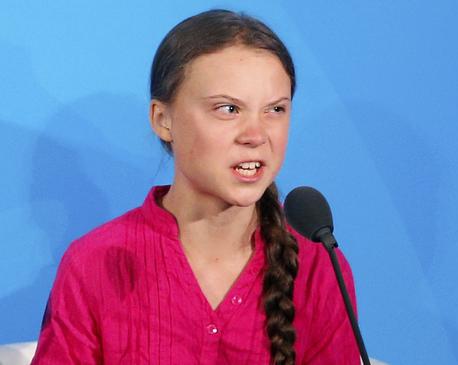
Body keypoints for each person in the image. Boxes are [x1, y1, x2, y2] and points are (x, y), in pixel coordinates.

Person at [31, 9, 360, 365]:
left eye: (275, 109)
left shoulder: (316, 265)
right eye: (228, 108)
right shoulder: (93, 264)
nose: (256, 135)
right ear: (163, 119)